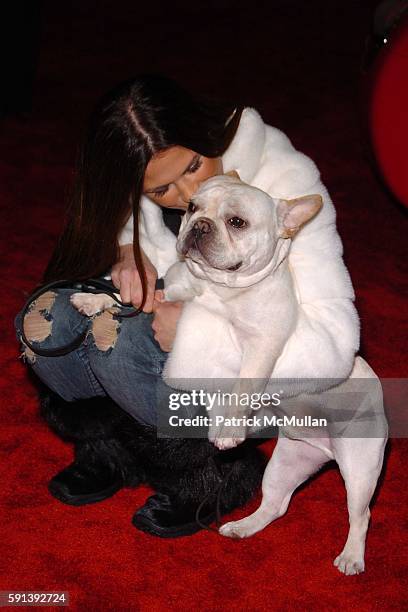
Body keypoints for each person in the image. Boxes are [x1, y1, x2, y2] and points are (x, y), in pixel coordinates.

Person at [15, 74, 359, 537]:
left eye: (194, 166)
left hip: (250, 386)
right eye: (161, 192)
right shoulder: (139, 177)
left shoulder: (286, 182)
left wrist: (205, 331)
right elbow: (133, 233)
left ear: (207, 133)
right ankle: (111, 452)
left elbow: (335, 346)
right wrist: (124, 250)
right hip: (174, 305)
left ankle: (213, 476)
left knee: (121, 343)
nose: (183, 197)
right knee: (45, 325)